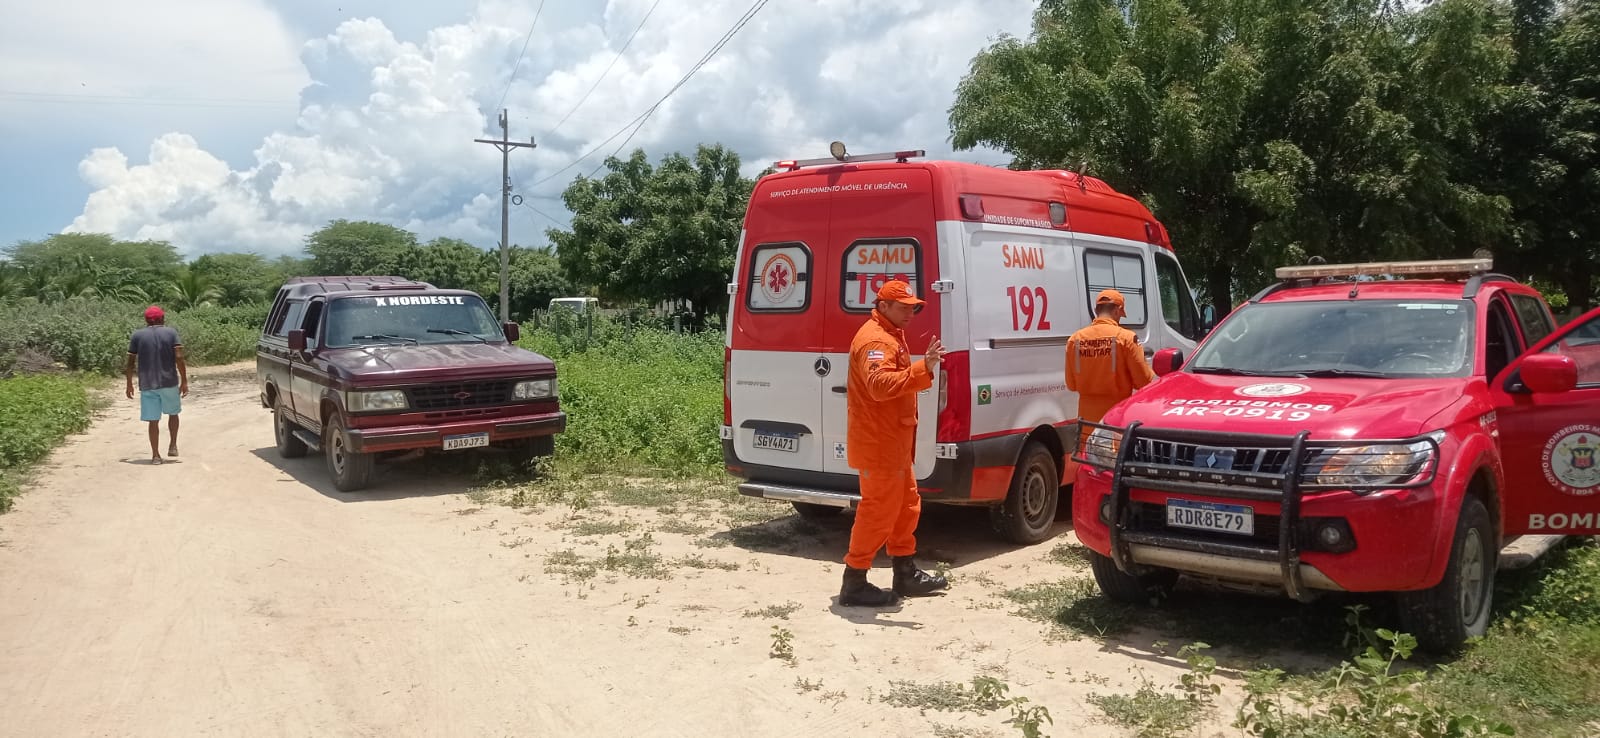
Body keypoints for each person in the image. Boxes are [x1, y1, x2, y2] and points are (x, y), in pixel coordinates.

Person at [840, 280, 949, 607]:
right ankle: (854, 581)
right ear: (882, 305)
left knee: (906, 507)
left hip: (893, 443)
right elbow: (878, 385)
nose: (910, 313)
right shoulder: (876, 340)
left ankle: (905, 573)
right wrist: (923, 368)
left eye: (913, 307)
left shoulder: (889, 334)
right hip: (879, 444)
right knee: (877, 513)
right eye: (904, 307)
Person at [1065, 289, 1156, 443]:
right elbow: (1144, 382)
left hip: (1086, 424)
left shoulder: (1075, 340)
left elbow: (1071, 385)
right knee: (1111, 464)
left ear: (1096, 310)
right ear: (1117, 310)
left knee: (1088, 464)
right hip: (1115, 421)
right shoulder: (1126, 338)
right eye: (1121, 314)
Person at [125, 305, 188, 464]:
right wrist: (184, 380)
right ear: (162, 318)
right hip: (169, 382)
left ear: (146, 320)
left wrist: (129, 384)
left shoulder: (137, 335)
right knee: (173, 413)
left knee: (153, 421)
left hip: (147, 384)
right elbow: (179, 358)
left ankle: (155, 456)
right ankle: (173, 445)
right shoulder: (171, 333)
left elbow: (130, 363)